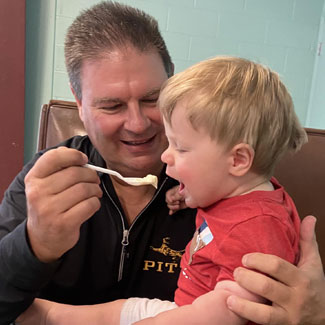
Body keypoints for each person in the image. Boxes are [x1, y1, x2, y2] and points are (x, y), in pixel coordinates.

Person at [0, 1, 323, 325]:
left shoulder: (228, 182)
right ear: (79, 102)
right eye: (112, 106)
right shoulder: (47, 180)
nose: (138, 124)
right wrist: (35, 243)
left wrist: (315, 317)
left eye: (153, 99)